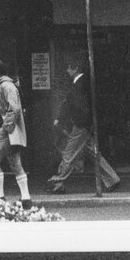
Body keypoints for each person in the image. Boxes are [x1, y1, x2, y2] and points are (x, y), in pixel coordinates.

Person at [47, 55, 120, 194]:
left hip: (81, 125)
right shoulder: (83, 82)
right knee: (93, 153)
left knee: (69, 152)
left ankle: (58, 182)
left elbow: (73, 104)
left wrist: (63, 119)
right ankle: (112, 178)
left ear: (74, 69)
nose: (67, 71)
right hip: (85, 124)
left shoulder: (79, 84)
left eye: (68, 68)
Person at [0, 59, 34, 209]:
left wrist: (7, 127)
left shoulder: (6, 85)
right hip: (11, 130)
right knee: (15, 164)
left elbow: (15, 108)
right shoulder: (5, 84)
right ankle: (26, 199)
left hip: (8, 130)